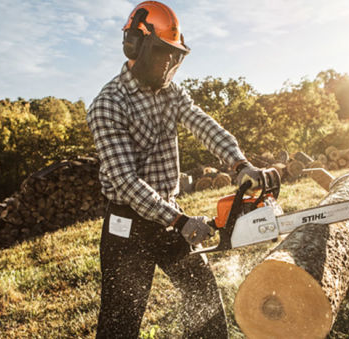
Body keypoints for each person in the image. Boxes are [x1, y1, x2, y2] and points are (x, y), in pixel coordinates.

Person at [86, 1, 263, 338]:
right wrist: (180, 221)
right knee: (121, 322)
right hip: (128, 226)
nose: (168, 62)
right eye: (161, 53)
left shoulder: (170, 92)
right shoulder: (108, 104)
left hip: (169, 215)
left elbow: (203, 123)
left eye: (173, 55)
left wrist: (239, 163)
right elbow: (125, 182)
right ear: (136, 45)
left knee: (203, 296)